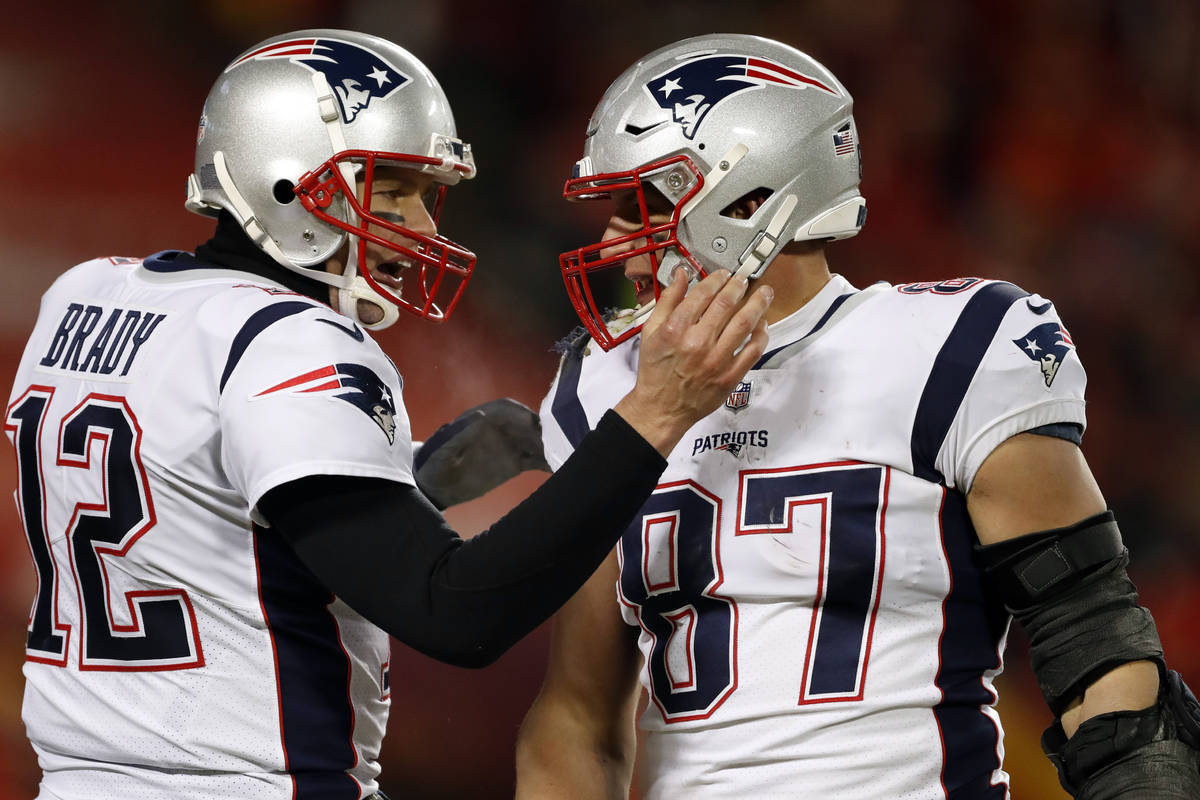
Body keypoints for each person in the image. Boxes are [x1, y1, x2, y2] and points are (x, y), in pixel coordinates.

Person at [2, 29, 773, 799]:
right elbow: (456, 613)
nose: (425, 227)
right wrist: (649, 418)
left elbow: (194, 505)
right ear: (287, 179)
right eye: (393, 189)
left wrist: (399, 482)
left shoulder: (83, 297)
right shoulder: (291, 341)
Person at [513, 34, 1200, 799]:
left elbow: (1096, 652)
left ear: (747, 203)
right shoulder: (601, 389)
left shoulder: (951, 347)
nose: (613, 240)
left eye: (638, 205)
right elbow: (575, 718)